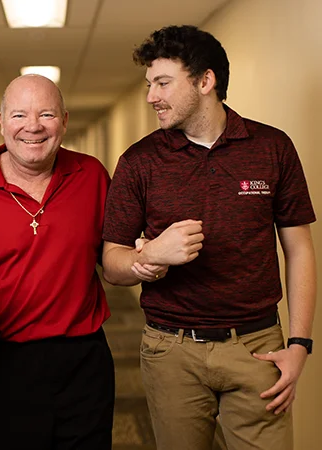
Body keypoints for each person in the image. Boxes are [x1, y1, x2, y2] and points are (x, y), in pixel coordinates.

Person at [102, 25, 316, 450]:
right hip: (171, 350)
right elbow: (112, 262)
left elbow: (299, 249)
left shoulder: (272, 147)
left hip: (257, 347)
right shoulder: (139, 161)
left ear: (205, 80)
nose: (150, 97)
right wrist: (151, 258)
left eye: (162, 83)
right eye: (148, 84)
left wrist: (300, 344)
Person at [0, 74, 114, 450]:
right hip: (3, 362)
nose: (33, 126)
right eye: (19, 115)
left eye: (47, 114)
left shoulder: (92, 176)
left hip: (84, 358)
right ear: (1, 123)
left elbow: (114, 256)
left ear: (65, 122)